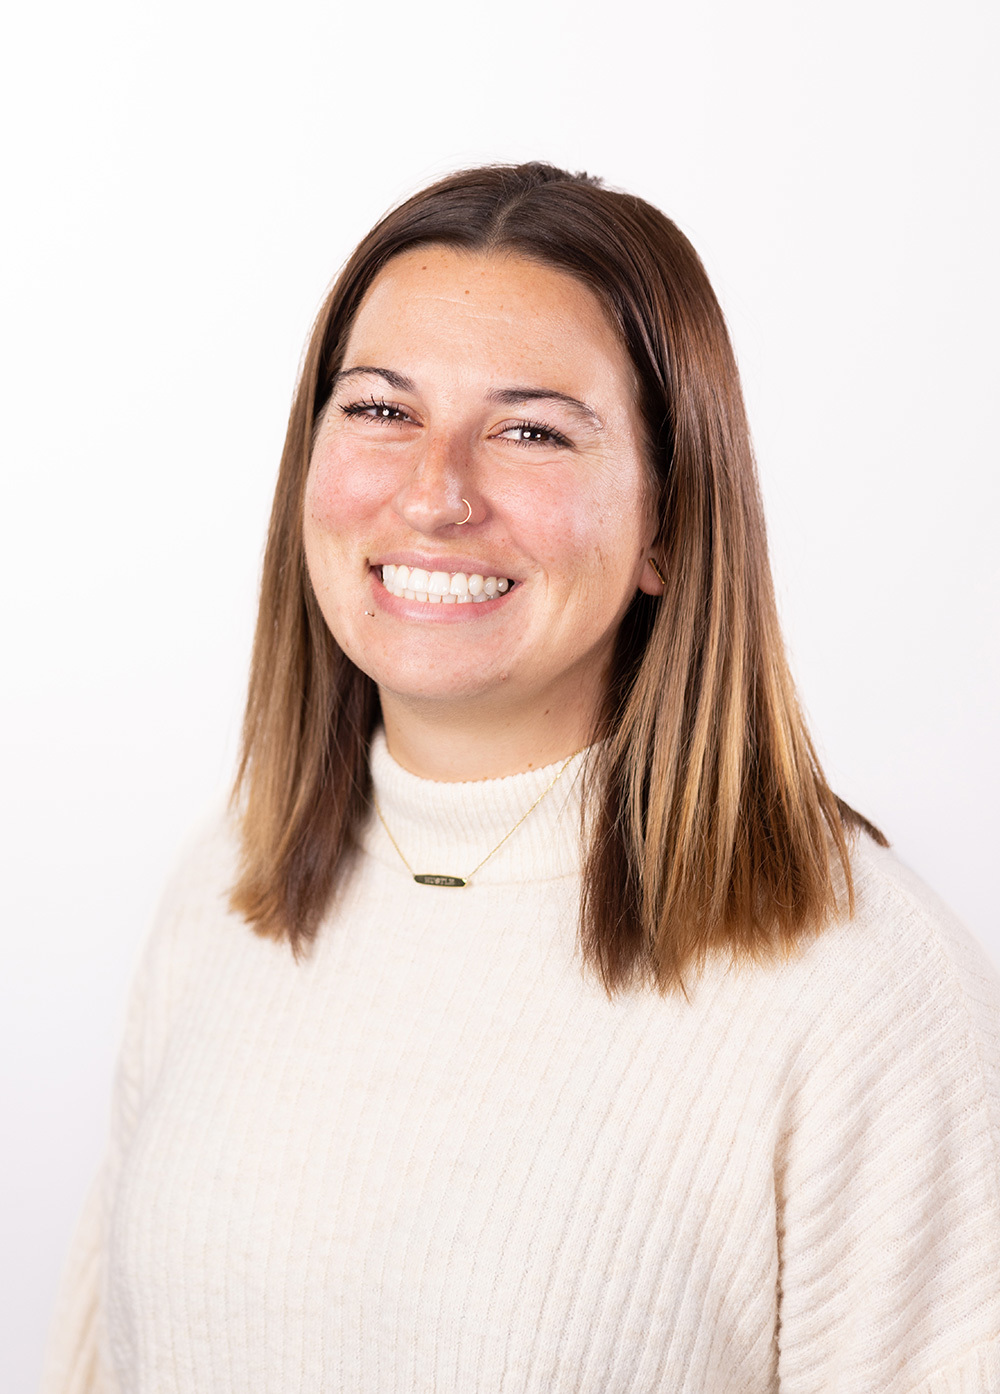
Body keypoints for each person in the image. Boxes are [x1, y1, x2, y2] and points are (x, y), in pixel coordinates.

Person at [41, 162, 1000, 1392]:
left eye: (532, 430)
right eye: (381, 410)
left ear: (667, 521)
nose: (435, 491)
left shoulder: (856, 985)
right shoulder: (230, 884)